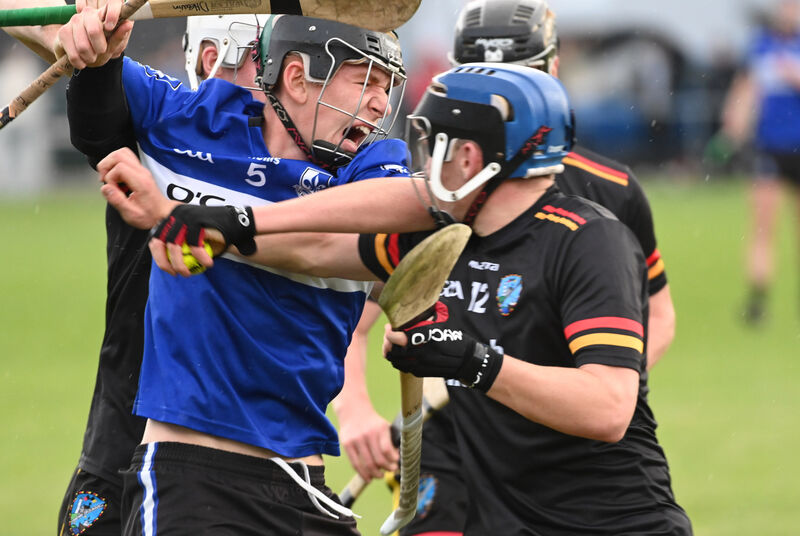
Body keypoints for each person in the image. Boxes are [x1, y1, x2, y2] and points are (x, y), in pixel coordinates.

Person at [97, 60, 692, 535]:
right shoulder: (437, 237)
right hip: (502, 518)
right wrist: (184, 218)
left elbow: (608, 407)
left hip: (614, 521)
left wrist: (474, 362)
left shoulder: (589, 241)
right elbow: (314, 249)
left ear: (469, 156)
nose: (421, 165)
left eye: (435, 145)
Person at [59, 1, 410, 532]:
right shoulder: (191, 123)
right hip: (191, 479)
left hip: (304, 485)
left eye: (387, 86)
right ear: (296, 78)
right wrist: (94, 36)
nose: (380, 104)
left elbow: (385, 221)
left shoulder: (369, 170)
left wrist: (217, 224)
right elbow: (68, 44)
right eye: (366, 81)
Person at [332, 0, 678, 511]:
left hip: (564, 447)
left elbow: (658, 316)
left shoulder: (611, 192)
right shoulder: (438, 192)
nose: (499, 97)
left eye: (519, 75)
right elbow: (357, 316)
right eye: (480, 77)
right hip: (454, 435)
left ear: (552, 72)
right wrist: (357, 410)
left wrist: (584, 383)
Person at [24, 10, 279, 536]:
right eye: (269, 62)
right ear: (213, 58)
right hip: (117, 454)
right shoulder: (157, 116)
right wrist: (78, 31)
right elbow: (66, 41)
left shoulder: (308, 163)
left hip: (246, 477)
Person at [715, 0, 800, 324]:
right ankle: (757, 302)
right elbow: (745, 91)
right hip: (770, 148)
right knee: (763, 227)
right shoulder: (761, 46)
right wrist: (731, 129)